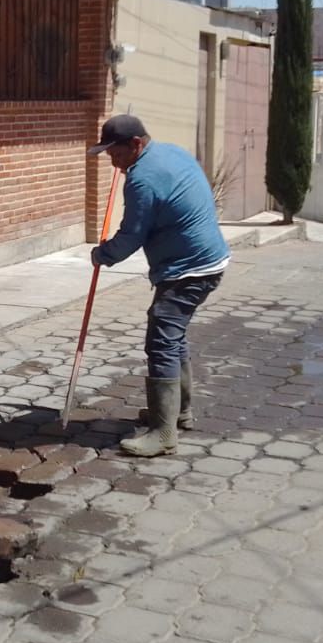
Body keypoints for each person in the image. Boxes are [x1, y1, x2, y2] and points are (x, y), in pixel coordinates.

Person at [88, 114, 229, 456]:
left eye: (116, 154)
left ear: (136, 144)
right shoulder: (171, 152)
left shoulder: (142, 179)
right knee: (173, 337)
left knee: (162, 341)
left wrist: (102, 254)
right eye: (109, 155)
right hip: (206, 260)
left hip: (189, 269)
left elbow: (131, 236)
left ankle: (163, 434)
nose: (113, 162)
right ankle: (179, 413)